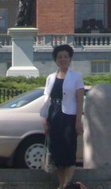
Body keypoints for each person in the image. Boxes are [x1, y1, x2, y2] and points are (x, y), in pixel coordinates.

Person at [41, 44, 85, 189]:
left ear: (70, 59)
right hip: (54, 115)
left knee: (69, 149)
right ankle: (61, 184)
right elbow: (46, 99)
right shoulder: (50, 78)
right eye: (60, 57)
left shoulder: (76, 77)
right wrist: (45, 119)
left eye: (66, 56)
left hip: (69, 116)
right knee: (57, 152)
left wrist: (78, 121)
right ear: (56, 60)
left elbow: (80, 100)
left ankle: (67, 184)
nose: (63, 59)